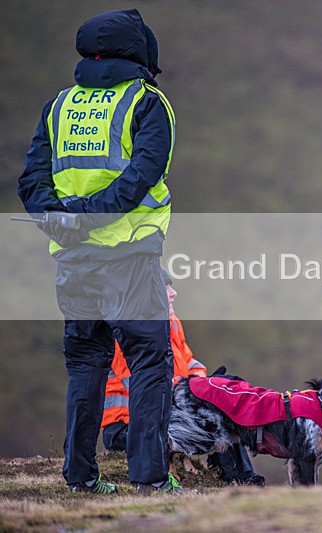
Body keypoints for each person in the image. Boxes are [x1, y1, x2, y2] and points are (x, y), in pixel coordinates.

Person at [18, 9, 178, 494]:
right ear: (140, 52)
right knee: (151, 363)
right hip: (128, 254)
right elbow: (139, 178)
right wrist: (92, 213)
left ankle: (79, 477)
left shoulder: (59, 106)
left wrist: (63, 220)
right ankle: (149, 478)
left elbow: (31, 182)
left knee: (86, 363)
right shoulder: (147, 102)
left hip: (73, 260)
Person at [102, 268, 265, 486]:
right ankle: (237, 477)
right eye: (165, 288)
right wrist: (190, 391)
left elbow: (190, 361)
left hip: (168, 408)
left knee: (223, 399)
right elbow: (144, 387)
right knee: (212, 409)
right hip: (127, 427)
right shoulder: (124, 334)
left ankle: (240, 476)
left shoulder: (171, 322)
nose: (173, 293)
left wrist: (200, 384)